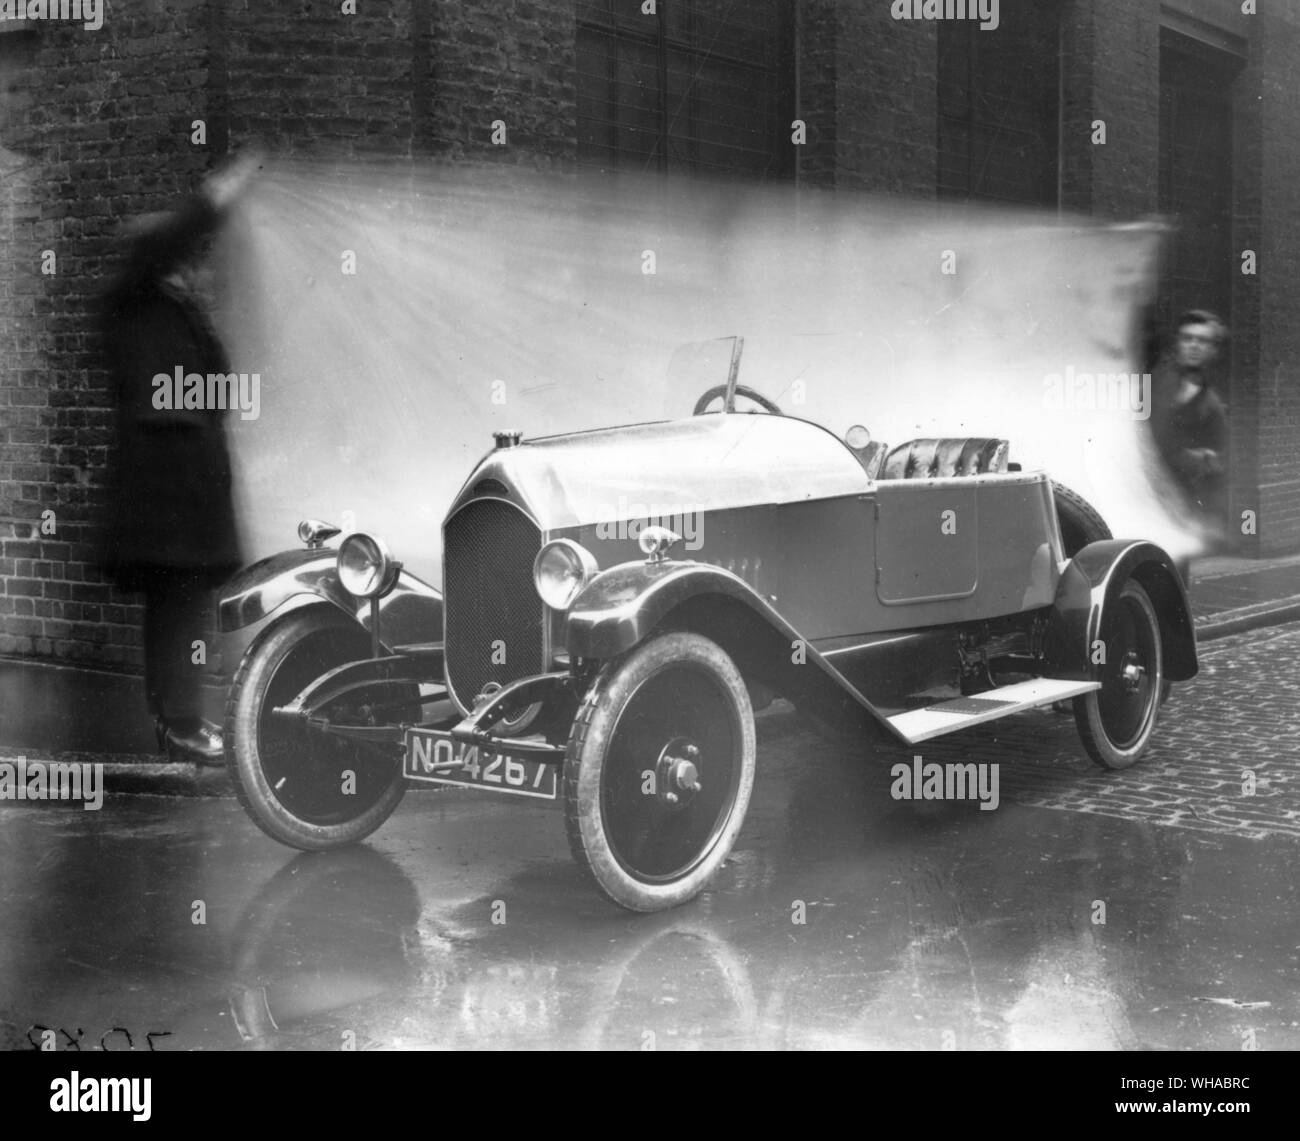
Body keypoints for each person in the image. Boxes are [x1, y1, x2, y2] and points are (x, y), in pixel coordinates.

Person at [100, 153, 260, 763]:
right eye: (181, 257)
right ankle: (182, 726)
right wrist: (217, 194)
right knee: (177, 606)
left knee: (180, 604)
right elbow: (167, 243)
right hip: (161, 492)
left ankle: (179, 723)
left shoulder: (172, 310)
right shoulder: (129, 297)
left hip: (186, 489)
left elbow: (214, 388)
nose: (192, 267)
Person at [1149, 308, 1230, 538]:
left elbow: (1221, 458)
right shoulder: (1153, 381)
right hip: (1140, 494)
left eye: (1202, 341)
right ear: (1178, 343)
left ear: (1213, 350)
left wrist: (1204, 460)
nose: (1194, 345)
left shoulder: (1211, 404)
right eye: (1188, 338)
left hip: (1178, 504)